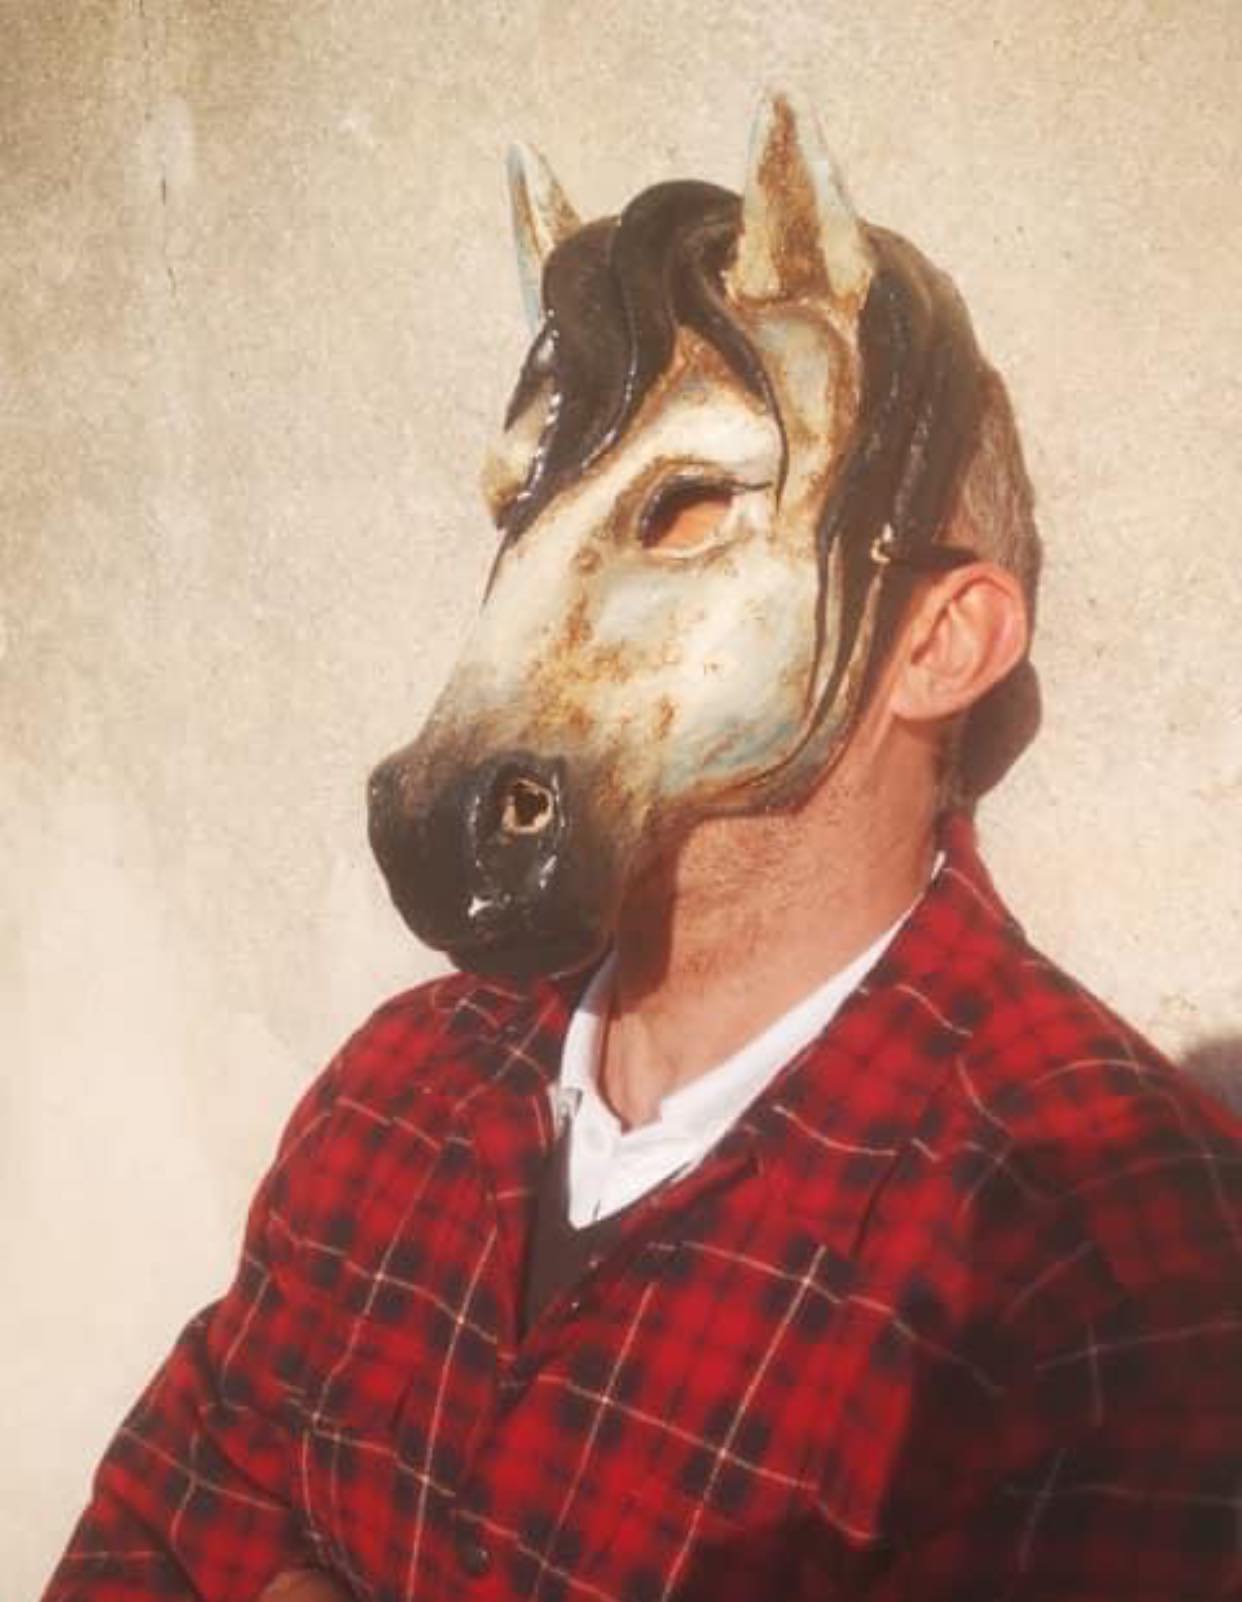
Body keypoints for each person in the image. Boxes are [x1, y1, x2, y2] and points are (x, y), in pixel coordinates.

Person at [45, 92, 1242, 1602]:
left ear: (942, 643)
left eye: (687, 508)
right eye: (536, 508)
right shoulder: (398, 1091)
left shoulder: (1104, 1262)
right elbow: (156, 1527)